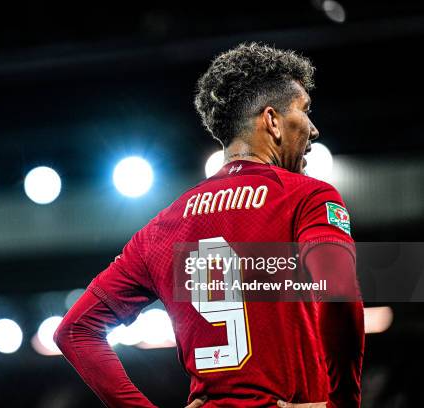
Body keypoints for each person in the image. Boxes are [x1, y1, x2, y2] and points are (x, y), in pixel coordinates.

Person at [54, 43, 364, 408]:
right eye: (305, 111)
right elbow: (340, 292)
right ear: (272, 120)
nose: (313, 129)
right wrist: (342, 403)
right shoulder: (307, 197)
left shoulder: (161, 229)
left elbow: (75, 331)